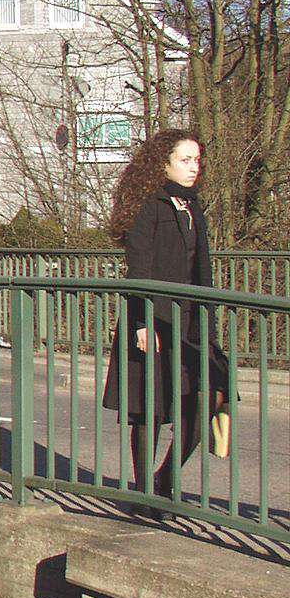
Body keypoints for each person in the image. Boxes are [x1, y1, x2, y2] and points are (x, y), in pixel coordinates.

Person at [102, 129, 229, 520]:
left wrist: (208, 324)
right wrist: (142, 323)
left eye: (197, 160)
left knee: (211, 395)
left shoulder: (192, 204)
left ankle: (166, 478)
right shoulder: (149, 204)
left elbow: (199, 269)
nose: (194, 168)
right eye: (185, 160)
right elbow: (139, 268)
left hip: (190, 320)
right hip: (153, 317)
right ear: (163, 163)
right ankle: (146, 494)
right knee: (150, 408)